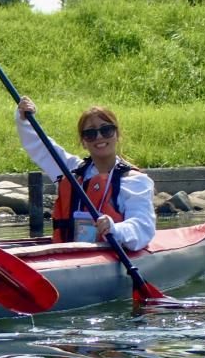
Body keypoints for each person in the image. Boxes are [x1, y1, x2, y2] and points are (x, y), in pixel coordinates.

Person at [16, 97, 155, 251]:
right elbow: (41, 147)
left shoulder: (135, 181)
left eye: (106, 130)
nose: (99, 137)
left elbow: (142, 227)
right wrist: (24, 118)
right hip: (70, 253)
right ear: (83, 141)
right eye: (90, 133)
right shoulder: (72, 172)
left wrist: (114, 228)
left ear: (117, 134)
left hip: (111, 252)